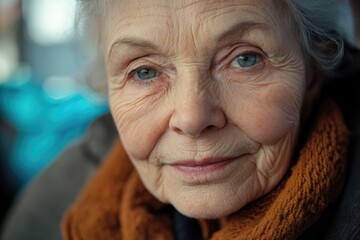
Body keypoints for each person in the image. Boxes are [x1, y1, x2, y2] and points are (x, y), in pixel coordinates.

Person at [1, 0, 360, 239]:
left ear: (312, 73)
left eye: (245, 59)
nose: (191, 118)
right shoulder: (56, 201)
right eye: (144, 72)